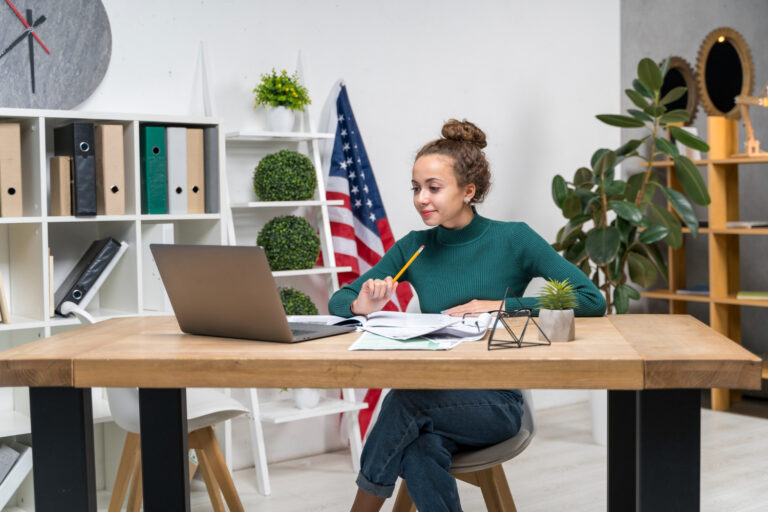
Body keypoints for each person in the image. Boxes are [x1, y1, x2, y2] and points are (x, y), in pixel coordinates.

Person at [328, 119, 606, 512]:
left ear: (468, 191)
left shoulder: (513, 239)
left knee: (404, 403)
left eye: (433, 188)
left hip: (498, 402)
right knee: (421, 451)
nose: (421, 198)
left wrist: (501, 307)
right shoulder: (414, 247)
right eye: (416, 187)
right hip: (435, 393)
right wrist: (364, 304)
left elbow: (591, 299)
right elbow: (340, 301)